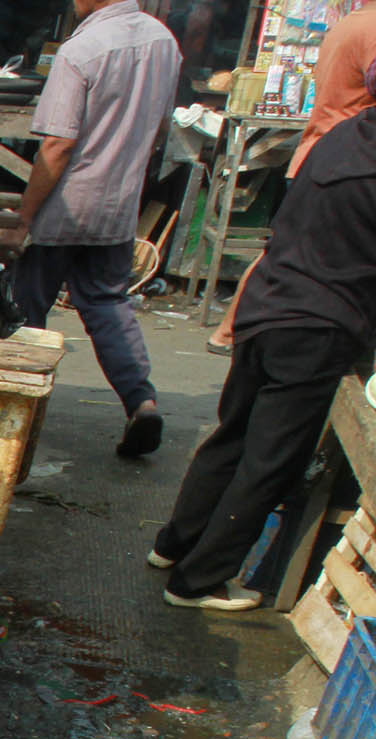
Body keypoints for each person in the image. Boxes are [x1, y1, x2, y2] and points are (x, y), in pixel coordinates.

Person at [150, 107, 376, 613]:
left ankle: (171, 546)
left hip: (266, 302)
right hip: (316, 325)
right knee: (270, 460)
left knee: (233, 433)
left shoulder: (344, 135)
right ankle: (198, 581)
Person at [0, 0, 178, 459]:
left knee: (27, 311)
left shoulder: (82, 50)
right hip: (118, 205)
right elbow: (157, 130)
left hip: (66, 206)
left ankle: (23, 421)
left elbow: (57, 146)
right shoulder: (164, 42)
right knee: (107, 303)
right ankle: (142, 401)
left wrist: (22, 220)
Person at [207, 13, 376, 354]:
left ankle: (230, 331)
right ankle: (231, 332)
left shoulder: (353, 22)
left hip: (325, 157)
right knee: (289, 256)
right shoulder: (372, 27)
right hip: (343, 165)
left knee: (283, 251)